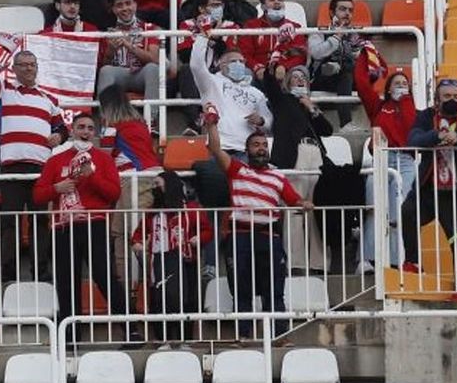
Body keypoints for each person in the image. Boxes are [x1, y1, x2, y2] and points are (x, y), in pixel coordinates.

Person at [204, 104, 309, 339]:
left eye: (263, 145)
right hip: (239, 237)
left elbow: (294, 200)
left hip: (268, 237)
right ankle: (244, 336)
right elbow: (215, 148)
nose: (261, 149)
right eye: (256, 145)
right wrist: (211, 125)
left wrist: (305, 203)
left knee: (275, 289)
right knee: (241, 290)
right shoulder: (237, 169)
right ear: (247, 150)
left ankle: (279, 336)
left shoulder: (278, 176)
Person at [0, 34, 68, 282]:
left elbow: (63, 129)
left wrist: (59, 136)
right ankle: (7, 270)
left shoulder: (50, 100)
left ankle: (41, 270)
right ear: (13, 69)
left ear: (37, 68)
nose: (27, 68)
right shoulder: (4, 90)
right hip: (13, 167)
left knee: (40, 222)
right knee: (9, 222)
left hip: (41, 170)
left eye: (32, 64)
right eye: (22, 64)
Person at [32, 113, 129, 331]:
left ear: (95, 133)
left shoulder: (103, 159)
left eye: (90, 128)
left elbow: (114, 193)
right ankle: (70, 336)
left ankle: (129, 328)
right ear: (73, 130)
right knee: (66, 281)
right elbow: (37, 195)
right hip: (63, 227)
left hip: (94, 224)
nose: (85, 132)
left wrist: (91, 176)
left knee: (105, 277)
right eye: (81, 127)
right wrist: (56, 188)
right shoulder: (56, 160)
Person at [401, 79, 457, 294]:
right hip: (429, 190)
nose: (453, 101)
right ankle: (412, 262)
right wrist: (437, 136)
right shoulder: (426, 116)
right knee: (408, 212)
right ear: (437, 99)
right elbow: (413, 139)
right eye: (447, 97)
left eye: (456, 96)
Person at [261, 64, 332, 272]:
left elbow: (327, 130)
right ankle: (295, 262)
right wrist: (274, 69)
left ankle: (318, 262)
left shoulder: (310, 106)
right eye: (295, 77)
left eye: (303, 77)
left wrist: (312, 107)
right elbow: (270, 86)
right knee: (296, 206)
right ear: (287, 82)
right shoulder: (282, 101)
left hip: (315, 155)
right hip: (295, 154)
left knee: (315, 208)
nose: (300, 80)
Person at [354, 45, 417, 271]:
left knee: (401, 211)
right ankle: (367, 259)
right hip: (380, 159)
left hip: (406, 163)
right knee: (375, 209)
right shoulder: (378, 107)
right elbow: (362, 84)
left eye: (405, 84)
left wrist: (405, 101)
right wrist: (366, 53)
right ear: (388, 88)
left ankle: (397, 259)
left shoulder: (415, 109)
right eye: (396, 83)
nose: (401, 86)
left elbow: (411, 129)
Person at [131, 170, 212, 341]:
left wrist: (199, 238)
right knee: (158, 303)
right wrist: (137, 243)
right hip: (159, 264)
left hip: (185, 262)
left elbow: (207, 231)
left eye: (158, 185)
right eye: (154, 186)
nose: (155, 189)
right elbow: (137, 234)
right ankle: (162, 340)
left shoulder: (191, 210)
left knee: (187, 302)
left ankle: (186, 340)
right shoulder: (151, 214)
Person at [99, 83, 160, 285]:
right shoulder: (141, 124)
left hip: (131, 181)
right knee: (136, 236)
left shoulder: (111, 128)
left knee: (126, 238)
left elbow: (104, 160)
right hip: (153, 177)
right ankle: (153, 285)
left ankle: (130, 291)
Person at [190, 37, 272, 159]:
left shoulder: (256, 93)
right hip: (220, 148)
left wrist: (261, 121)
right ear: (221, 65)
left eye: (241, 62)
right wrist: (202, 37)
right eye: (233, 61)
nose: (239, 64)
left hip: (247, 150)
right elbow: (196, 66)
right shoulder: (211, 83)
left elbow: (269, 123)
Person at [176, 0, 239, 132]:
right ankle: (194, 122)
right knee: (185, 70)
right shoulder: (187, 25)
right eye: (214, 5)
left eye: (220, 5)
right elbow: (184, 55)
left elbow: (230, 54)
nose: (218, 9)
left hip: (220, 71)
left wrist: (215, 38)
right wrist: (201, 33)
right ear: (201, 8)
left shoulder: (231, 26)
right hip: (197, 72)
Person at [308, 0, 364, 129]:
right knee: (341, 69)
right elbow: (316, 53)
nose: (347, 14)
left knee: (350, 70)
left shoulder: (355, 35)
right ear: (332, 12)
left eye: (350, 11)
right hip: (323, 79)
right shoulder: (319, 32)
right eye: (343, 9)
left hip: (346, 78)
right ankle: (346, 123)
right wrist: (336, 37)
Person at [97, 0, 161, 102]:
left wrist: (129, 46)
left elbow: (155, 60)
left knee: (153, 68)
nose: (125, 8)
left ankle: (152, 118)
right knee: (105, 71)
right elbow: (102, 67)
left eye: (128, 3)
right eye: (119, 5)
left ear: (135, 5)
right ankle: (107, 118)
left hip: (140, 75)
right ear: (113, 9)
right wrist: (110, 51)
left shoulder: (150, 28)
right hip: (118, 75)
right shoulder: (108, 32)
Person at [239, 0, 308, 83]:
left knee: (299, 72)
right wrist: (257, 67)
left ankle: (299, 98)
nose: (277, 2)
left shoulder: (295, 27)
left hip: (285, 72)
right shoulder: (251, 26)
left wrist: (284, 66)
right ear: (263, 6)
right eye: (272, 0)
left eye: (280, 0)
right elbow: (244, 54)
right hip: (258, 72)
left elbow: (300, 55)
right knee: (244, 73)